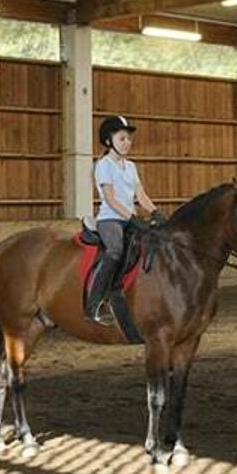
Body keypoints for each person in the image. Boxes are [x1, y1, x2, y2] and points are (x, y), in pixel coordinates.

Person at [86, 115, 157, 326]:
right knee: (115, 250)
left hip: (129, 218)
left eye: (128, 139)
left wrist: (156, 213)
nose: (127, 143)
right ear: (109, 141)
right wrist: (133, 217)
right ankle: (95, 303)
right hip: (110, 220)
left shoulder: (131, 166)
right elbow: (110, 198)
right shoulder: (103, 165)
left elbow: (141, 196)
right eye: (122, 138)